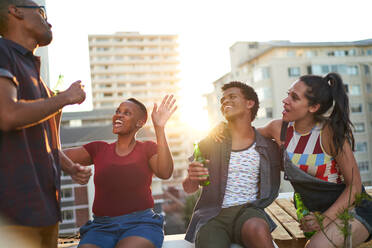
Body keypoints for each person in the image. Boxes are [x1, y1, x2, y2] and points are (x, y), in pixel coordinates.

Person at [215, 73, 372, 247]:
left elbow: (355, 186)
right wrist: (221, 130)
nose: (285, 100)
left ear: (313, 107)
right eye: (288, 94)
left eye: (294, 97)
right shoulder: (278, 128)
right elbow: (244, 136)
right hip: (316, 215)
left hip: (354, 211)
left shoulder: (330, 134)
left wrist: (325, 218)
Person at [0, 1, 91, 248]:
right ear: (15, 11)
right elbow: (7, 114)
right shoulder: (3, 52)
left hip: (45, 211)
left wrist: (70, 167)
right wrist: (65, 97)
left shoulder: (33, 70)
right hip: (12, 215)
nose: (48, 21)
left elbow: (42, 139)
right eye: (41, 12)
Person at [64, 95, 177, 248]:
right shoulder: (98, 149)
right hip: (101, 227)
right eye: (118, 111)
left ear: (140, 122)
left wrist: (159, 127)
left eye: (126, 113)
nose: (119, 115)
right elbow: (55, 155)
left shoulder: (147, 148)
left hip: (141, 224)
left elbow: (165, 172)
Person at [183, 81, 281, 248]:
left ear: (250, 103)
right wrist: (192, 177)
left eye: (232, 97)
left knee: (258, 229)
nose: (225, 102)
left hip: (249, 211)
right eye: (222, 100)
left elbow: (294, 167)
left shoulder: (267, 145)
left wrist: (273, 128)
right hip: (213, 216)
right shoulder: (212, 141)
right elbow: (189, 188)